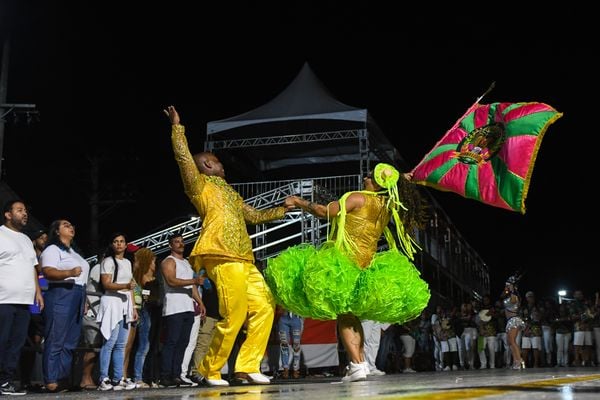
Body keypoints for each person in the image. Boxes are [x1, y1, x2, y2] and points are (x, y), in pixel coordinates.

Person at [266, 163, 430, 382]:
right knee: (352, 317)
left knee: (345, 316)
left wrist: (298, 201)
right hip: (365, 267)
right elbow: (393, 184)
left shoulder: (357, 198)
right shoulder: (386, 204)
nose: (365, 177)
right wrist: (400, 177)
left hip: (344, 266)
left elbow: (323, 212)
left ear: (375, 182)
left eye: (370, 176)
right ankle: (358, 363)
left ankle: (358, 364)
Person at [165, 105, 291, 387]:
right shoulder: (200, 186)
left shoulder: (230, 193)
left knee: (265, 306)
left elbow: (255, 216)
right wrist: (177, 127)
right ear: (208, 165)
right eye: (218, 161)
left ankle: (246, 366)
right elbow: (184, 159)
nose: (223, 165)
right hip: (220, 255)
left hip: (245, 259)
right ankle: (209, 370)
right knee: (233, 314)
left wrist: (284, 209)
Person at [0, 200, 43, 395]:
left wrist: (38, 292)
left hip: (25, 301)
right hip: (4, 298)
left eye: (25, 210)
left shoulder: (27, 239)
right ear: (8, 214)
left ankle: (5, 381)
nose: (24, 213)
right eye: (19, 210)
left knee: (16, 343)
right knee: (2, 340)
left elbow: (33, 268)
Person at [40, 219, 89, 392]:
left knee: (70, 340)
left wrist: (85, 301)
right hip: (62, 292)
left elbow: (82, 279)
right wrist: (69, 272)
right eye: (66, 225)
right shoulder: (52, 249)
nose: (71, 227)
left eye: (72, 225)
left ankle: (63, 378)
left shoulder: (74, 252)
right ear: (56, 231)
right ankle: (51, 379)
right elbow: (47, 271)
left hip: (78, 293)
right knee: (56, 337)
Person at [159, 233, 204, 387]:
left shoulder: (186, 262)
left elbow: (192, 287)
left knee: (183, 343)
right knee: (171, 341)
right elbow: (171, 280)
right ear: (171, 245)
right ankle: (165, 376)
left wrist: (200, 303)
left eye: (182, 241)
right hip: (174, 308)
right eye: (176, 242)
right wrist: (194, 280)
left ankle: (176, 374)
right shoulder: (168, 261)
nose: (180, 244)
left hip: (188, 307)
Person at [96, 233, 137, 391]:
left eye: (121, 241)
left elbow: (131, 287)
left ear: (126, 245)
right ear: (112, 245)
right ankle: (103, 378)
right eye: (116, 241)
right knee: (109, 342)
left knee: (121, 344)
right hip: (112, 303)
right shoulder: (107, 261)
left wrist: (133, 307)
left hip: (124, 304)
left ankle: (117, 378)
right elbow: (106, 284)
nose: (119, 244)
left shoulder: (127, 262)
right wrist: (125, 286)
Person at [131, 247, 158, 388]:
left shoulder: (155, 279)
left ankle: (149, 377)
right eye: (153, 262)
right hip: (142, 311)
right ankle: (137, 377)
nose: (154, 265)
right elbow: (138, 297)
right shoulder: (138, 278)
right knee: (143, 346)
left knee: (151, 346)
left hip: (154, 312)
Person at [501, 272, 525, 370]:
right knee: (510, 342)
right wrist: (508, 289)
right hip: (510, 320)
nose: (506, 286)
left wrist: (512, 289)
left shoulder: (514, 296)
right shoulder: (509, 295)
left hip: (514, 320)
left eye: (508, 285)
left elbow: (514, 301)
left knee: (512, 341)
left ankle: (519, 361)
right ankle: (516, 361)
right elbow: (502, 295)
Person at [277, 306, 304, 379]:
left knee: (296, 345)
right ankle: (285, 369)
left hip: (296, 317)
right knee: (284, 344)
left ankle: (296, 369)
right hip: (283, 317)